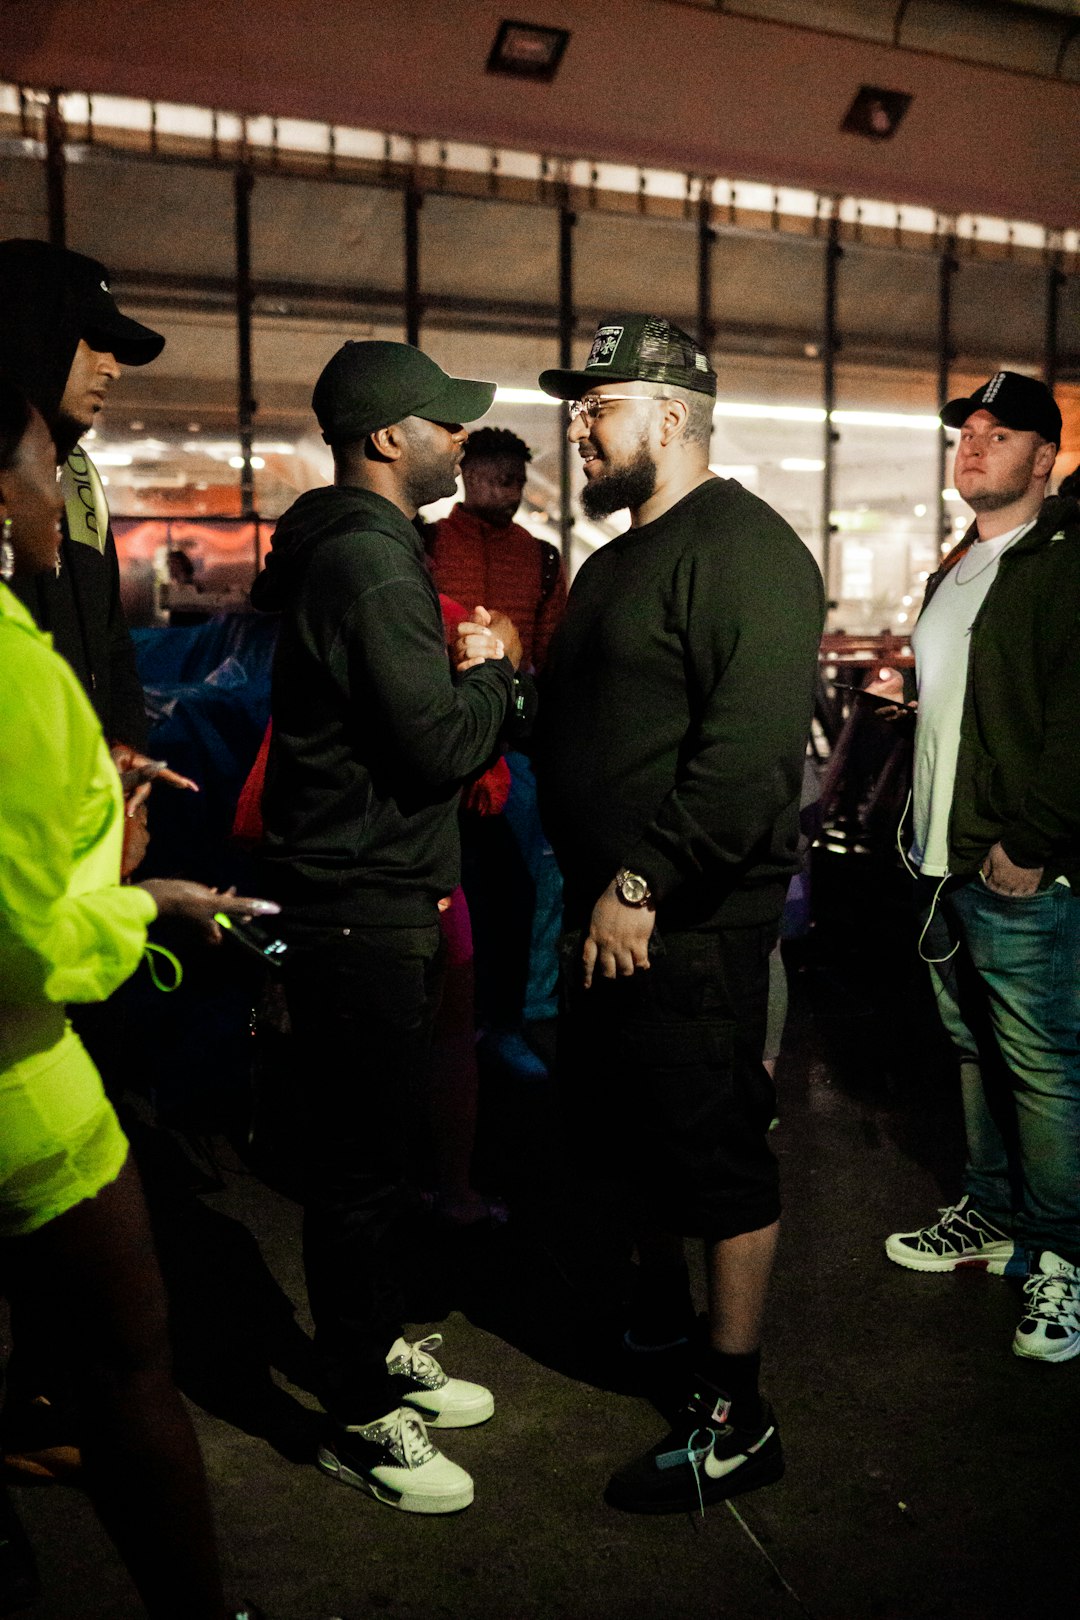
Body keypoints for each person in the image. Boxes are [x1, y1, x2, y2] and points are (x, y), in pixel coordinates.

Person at [530, 315, 824, 1514]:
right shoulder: (612, 560)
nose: (579, 427)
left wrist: (643, 880)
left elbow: (747, 758)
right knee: (629, 1137)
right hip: (606, 913)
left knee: (714, 1156)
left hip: (685, 918)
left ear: (670, 414)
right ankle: (658, 1317)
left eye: (597, 407)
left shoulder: (746, 551)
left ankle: (734, 1411)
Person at [0, 377, 280, 1619]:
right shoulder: (8, 662)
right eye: (40, 461)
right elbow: (28, 944)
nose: (58, 486)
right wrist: (140, 893)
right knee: (129, 1370)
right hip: (24, 1097)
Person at [251, 340, 531, 1514]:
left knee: (377, 1159)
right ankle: (358, 1412)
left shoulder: (367, 549)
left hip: (371, 898)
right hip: (360, 910)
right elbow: (436, 746)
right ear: (386, 439)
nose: (462, 441)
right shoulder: (370, 563)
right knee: (362, 1172)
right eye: (444, 424)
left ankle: (365, 1349)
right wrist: (499, 670)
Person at [880, 371, 1080, 1362]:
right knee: (975, 1051)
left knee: (1043, 1066)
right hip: (944, 862)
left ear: (1045, 458)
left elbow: (1077, 722)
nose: (975, 444)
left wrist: (1032, 842)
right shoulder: (957, 568)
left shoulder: (1063, 563)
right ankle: (994, 1213)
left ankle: (1060, 1261)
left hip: (1014, 866)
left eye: (1001, 434)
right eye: (968, 431)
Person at [429, 426, 568, 1075]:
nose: (508, 490)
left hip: (511, 751)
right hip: (438, 748)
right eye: (496, 476)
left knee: (518, 891)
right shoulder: (426, 544)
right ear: (465, 474)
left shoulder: (540, 559)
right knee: (447, 891)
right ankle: (454, 1021)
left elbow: (551, 657)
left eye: (515, 479)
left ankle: (508, 1017)